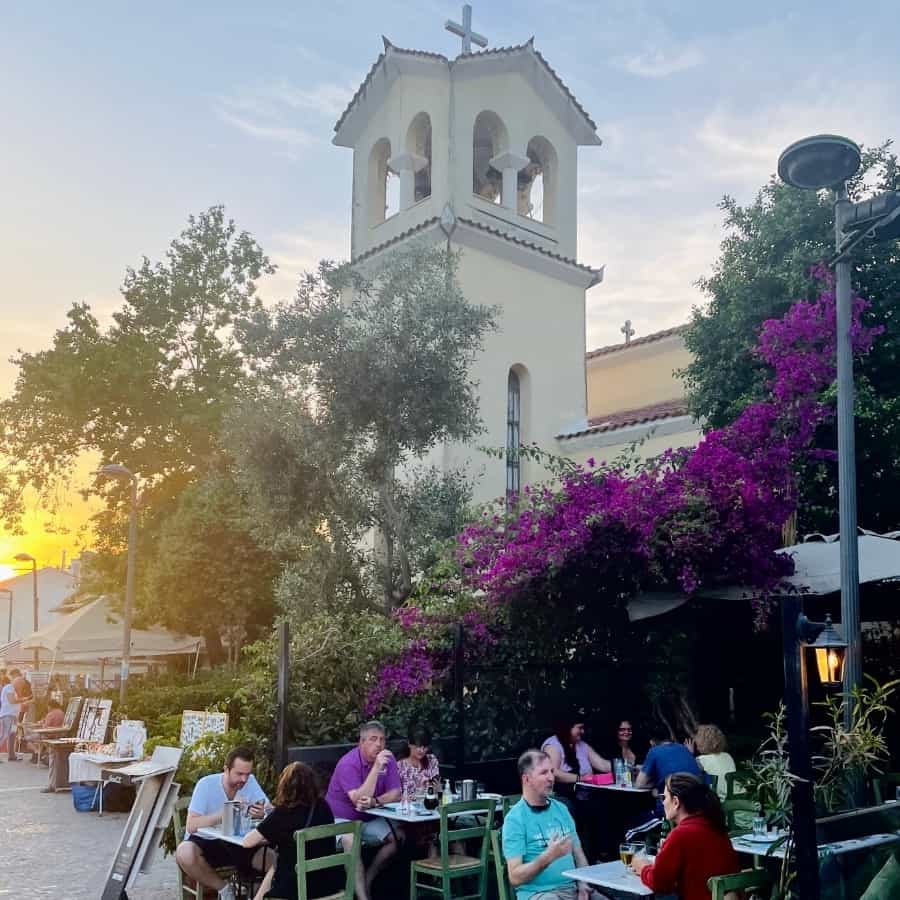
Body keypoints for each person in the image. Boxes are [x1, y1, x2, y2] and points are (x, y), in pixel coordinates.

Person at [175, 745, 272, 900]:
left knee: (276, 860)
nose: (244, 779)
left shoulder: (250, 782)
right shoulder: (206, 785)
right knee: (184, 852)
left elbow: (270, 809)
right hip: (207, 842)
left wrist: (263, 812)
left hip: (239, 842)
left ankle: (255, 894)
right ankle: (224, 890)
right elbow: (191, 825)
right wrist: (225, 812)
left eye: (247, 774)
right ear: (226, 769)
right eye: (239, 774)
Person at [502, 749, 599, 900]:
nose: (551, 778)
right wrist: (548, 857)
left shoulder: (562, 809)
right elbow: (515, 877)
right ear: (526, 779)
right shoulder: (515, 819)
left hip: (574, 890)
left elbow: (579, 856)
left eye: (552, 772)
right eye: (544, 773)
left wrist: (583, 884)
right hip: (540, 894)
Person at [242, 761, 342, 900]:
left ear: (284, 785)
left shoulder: (283, 813)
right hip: (328, 884)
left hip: (295, 889)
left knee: (277, 867)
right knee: (275, 867)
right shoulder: (323, 807)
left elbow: (247, 842)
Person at [631, 773, 740, 900]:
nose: (663, 803)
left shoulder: (681, 834)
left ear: (676, 802)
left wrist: (643, 867)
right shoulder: (715, 826)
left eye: (664, 798)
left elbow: (660, 883)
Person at [325, 720, 401, 900]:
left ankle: (369, 877)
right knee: (351, 840)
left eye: (382, 740)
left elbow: (396, 793)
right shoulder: (348, 764)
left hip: (368, 817)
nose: (378, 744)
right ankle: (362, 897)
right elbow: (358, 800)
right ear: (361, 742)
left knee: (398, 837)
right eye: (373, 739)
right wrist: (376, 768)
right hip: (340, 819)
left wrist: (375, 801)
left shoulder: (387, 759)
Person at [541, 713, 610, 800]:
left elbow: (602, 764)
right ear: (568, 728)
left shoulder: (582, 745)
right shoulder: (553, 745)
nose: (583, 731)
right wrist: (582, 778)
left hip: (586, 797)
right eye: (580, 728)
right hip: (561, 798)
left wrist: (622, 768)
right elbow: (553, 772)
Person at [634, 724, 703, 797]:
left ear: (652, 742)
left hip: (676, 801)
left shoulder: (654, 751)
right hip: (698, 797)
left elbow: (639, 784)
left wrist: (656, 786)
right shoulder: (684, 748)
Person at [691, 724, 739, 801]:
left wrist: (690, 754)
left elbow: (691, 771)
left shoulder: (701, 759)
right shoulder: (727, 756)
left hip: (721, 798)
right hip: (738, 793)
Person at [0, 672, 33, 762]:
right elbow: (12, 701)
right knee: (4, 735)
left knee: (12, 736)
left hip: (14, 716)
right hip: (7, 715)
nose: (21, 687)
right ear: (17, 683)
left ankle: (11, 755)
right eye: (21, 685)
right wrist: (25, 699)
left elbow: (17, 702)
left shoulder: (15, 690)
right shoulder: (9, 688)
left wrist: (24, 700)